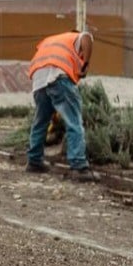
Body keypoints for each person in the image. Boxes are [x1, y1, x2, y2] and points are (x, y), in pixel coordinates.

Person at [26, 29, 99, 182]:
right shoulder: (75, 37)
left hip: (38, 80)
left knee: (40, 121)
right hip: (59, 77)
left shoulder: (50, 39)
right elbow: (87, 37)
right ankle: (78, 166)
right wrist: (85, 64)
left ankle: (34, 161)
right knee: (74, 121)